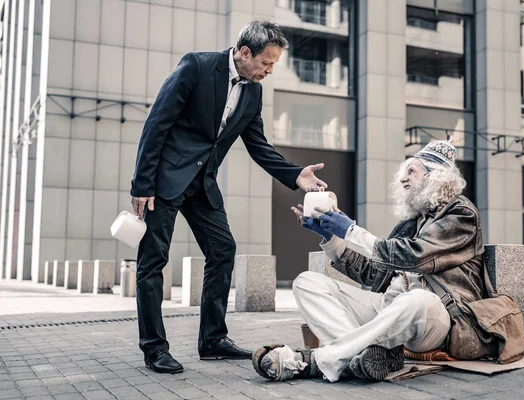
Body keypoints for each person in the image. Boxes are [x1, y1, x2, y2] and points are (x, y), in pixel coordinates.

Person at [131, 20, 327, 374]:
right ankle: (154, 348)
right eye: (266, 63)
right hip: (165, 180)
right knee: (152, 261)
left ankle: (212, 340)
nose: (269, 71)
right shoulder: (197, 66)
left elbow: (258, 146)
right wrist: (142, 184)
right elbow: (156, 124)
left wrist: (296, 175)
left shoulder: (253, 92)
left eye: (273, 65)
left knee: (223, 251)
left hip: (202, 183)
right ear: (244, 52)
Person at [252, 138, 488, 382]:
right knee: (306, 282)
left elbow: (413, 256)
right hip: (389, 310)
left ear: (433, 177)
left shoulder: (461, 214)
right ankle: (362, 358)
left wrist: (351, 230)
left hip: (436, 319)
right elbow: (372, 274)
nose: (403, 178)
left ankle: (315, 361)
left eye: (411, 171)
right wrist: (331, 237)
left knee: (418, 299)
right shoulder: (410, 224)